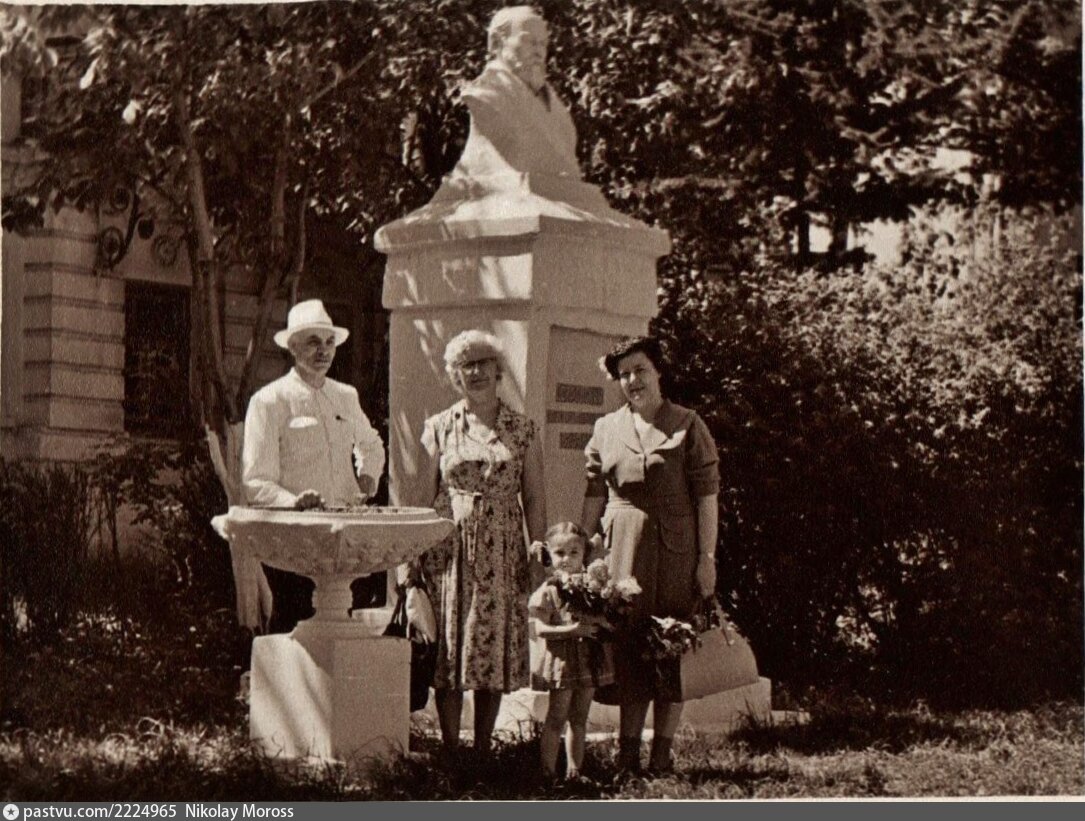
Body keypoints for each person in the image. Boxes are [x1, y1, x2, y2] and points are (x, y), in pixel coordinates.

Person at [580, 335, 720, 774]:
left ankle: (661, 753)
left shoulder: (687, 424)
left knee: (670, 643)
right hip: (622, 551)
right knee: (627, 646)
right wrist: (584, 549)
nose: (632, 380)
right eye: (624, 375)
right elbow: (594, 493)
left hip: (676, 551)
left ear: (659, 372)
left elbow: (707, 497)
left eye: (640, 370)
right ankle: (627, 754)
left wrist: (707, 558)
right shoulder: (606, 428)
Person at [408, 329, 547, 757]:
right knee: (449, 648)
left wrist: (537, 552)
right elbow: (422, 496)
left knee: (492, 644)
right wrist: (411, 559)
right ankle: (452, 748)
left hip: (503, 551)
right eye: (466, 366)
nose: (476, 372)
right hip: (448, 552)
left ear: (498, 370)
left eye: (484, 363)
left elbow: (535, 497)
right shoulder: (439, 427)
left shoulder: (522, 429)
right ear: (455, 375)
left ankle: (484, 748)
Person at [241, 299, 386, 631]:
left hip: (345, 540)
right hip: (295, 541)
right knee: (293, 629)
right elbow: (256, 480)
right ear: (293, 347)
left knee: (342, 630)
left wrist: (367, 476)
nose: (323, 351)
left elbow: (372, 444)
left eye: (329, 342)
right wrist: (294, 502)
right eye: (313, 342)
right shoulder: (269, 401)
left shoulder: (346, 396)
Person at [452, 6, 580, 181]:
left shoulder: (554, 104)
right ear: (497, 42)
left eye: (542, 43)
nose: (538, 51)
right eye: (529, 41)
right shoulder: (487, 93)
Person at [529, 522, 614, 781]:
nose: (566, 559)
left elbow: (609, 621)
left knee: (579, 717)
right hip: (563, 662)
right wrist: (572, 630)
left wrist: (603, 621)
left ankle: (574, 773)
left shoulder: (593, 588)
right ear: (549, 554)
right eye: (559, 553)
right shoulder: (550, 589)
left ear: (585, 554)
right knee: (557, 716)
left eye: (574, 552)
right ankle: (547, 773)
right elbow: (539, 629)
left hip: (588, 659)